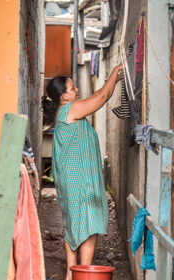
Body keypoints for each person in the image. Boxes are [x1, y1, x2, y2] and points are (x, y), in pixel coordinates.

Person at [41, 65, 123, 279]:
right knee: (88, 221)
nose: (77, 90)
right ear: (64, 96)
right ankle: (84, 273)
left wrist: (114, 80)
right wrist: (115, 71)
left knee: (74, 222)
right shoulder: (71, 110)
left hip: (72, 178)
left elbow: (97, 94)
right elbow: (103, 96)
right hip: (80, 180)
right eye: (73, 87)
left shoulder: (65, 111)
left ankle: (70, 273)